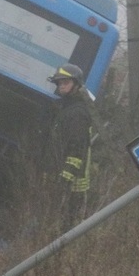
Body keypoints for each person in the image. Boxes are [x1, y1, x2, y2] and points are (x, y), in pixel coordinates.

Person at [42, 63, 93, 228]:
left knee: (63, 227)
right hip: (60, 179)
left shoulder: (77, 113)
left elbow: (77, 150)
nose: (61, 85)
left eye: (66, 82)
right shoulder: (66, 108)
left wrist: (64, 179)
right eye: (59, 82)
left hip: (72, 187)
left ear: (76, 84)